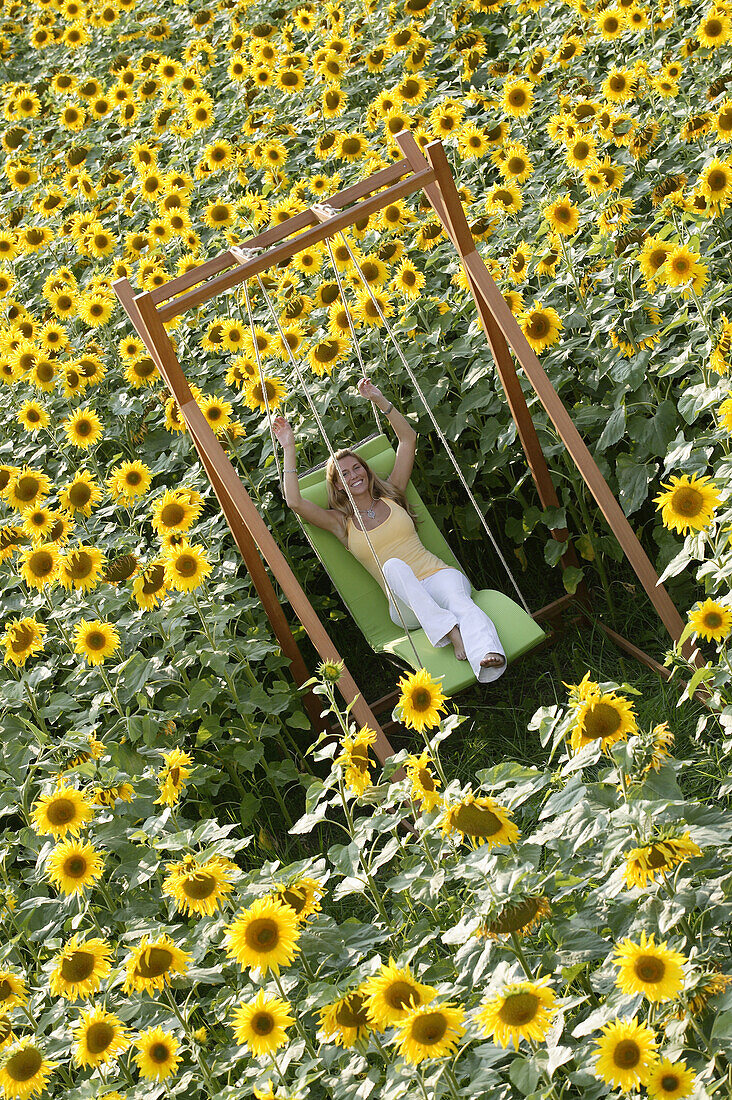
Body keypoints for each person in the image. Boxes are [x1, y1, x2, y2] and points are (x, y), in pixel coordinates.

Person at [272, 378, 506, 684]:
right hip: (404, 606)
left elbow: (408, 440)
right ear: (338, 486)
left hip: (438, 576)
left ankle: (488, 658)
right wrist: (288, 445)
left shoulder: (394, 493)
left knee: (462, 602)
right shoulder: (341, 523)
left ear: (367, 471)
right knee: (394, 566)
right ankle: (451, 631)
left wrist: (380, 400)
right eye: (344, 474)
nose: (353, 475)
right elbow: (294, 501)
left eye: (357, 468)